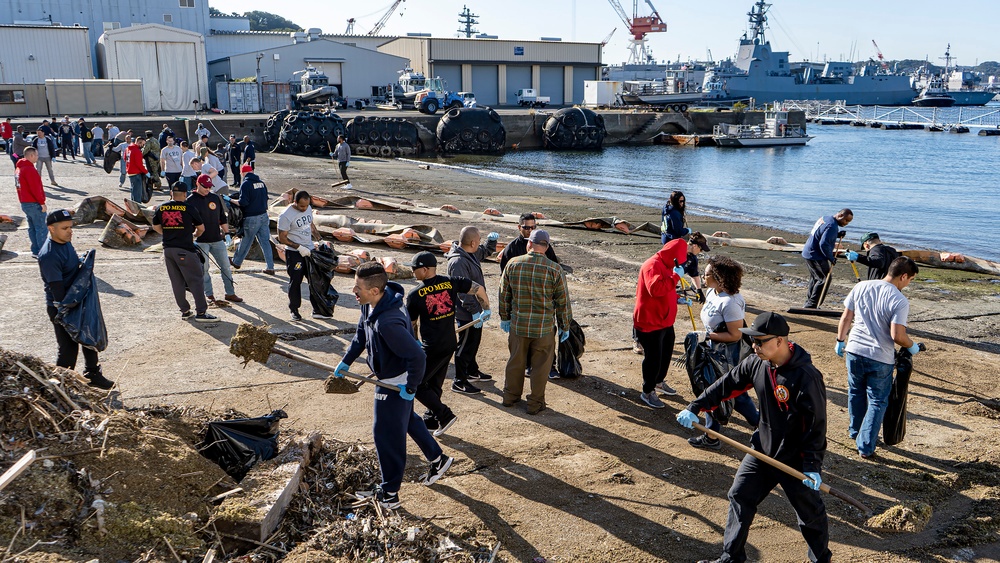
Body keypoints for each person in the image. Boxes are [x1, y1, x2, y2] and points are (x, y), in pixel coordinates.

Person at [677, 312, 830, 563]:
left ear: (780, 341)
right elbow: (727, 384)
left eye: (760, 342)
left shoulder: (807, 377)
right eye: (752, 342)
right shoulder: (757, 363)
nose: (754, 347)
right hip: (762, 449)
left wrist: (812, 465)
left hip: (795, 459)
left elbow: (816, 425)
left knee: (809, 514)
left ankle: (822, 560)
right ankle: (732, 557)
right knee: (740, 495)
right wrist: (696, 406)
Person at [333, 262, 454, 510]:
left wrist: (410, 387)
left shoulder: (388, 322)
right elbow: (360, 335)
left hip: (394, 382)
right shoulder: (370, 304)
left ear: (375, 290)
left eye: (358, 288)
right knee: (408, 419)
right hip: (387, 375)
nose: (354, 291)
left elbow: (418, 357)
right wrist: (345, 361)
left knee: (385, 434)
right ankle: (438, 459)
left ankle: (389, 494)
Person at [836, 256, 922, 459]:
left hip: (855, 350)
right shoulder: (899, 300)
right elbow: (897, 336)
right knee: (877, 401)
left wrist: (840, 340)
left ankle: (855, 432)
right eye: (910, 280)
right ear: (903, 276)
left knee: (855, 392)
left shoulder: (862, 286)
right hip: (879, 356)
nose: (909, 284)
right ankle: (865, 446)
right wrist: (912, 346)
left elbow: (847, 317)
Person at [407, 251, 491, 433]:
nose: (413, 272)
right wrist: (486, 308)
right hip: (450, 343)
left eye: (415, 269)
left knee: (417, 384)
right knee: (434, 383)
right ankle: (430, 420)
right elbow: (478, 288)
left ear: (425, 269)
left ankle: (444, 415)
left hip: (432, 347)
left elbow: (412, 325)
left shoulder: (415, 295)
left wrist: (414, 345)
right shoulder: (451, 282)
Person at [687, 255, 760, 450]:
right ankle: (763, 425)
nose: (703, 276)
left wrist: (708, 337)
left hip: (727, 357)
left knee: (716, 392)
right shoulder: (713, 292)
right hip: (712, 353)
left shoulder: (731, 303)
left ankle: (712, 437)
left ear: (720, 277)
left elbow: (735, 335)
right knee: (731, 394)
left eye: (707, 274)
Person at [37, 210, 115, 389]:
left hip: (77, 300)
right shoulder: (49, 255)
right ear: (51, 229)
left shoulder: (64, 242)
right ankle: (59, 386)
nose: (69, 231)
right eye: (64, 228)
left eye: (70, 227)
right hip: (61, 306)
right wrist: (68, 312)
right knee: (68, 350)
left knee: (89, 338)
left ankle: (92, 374)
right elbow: (58, 291)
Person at [498, 229, 572, 415]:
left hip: (518, 325)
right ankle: (535, 403)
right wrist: (565, 325)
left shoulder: (513, 264)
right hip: (544, 328)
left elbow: (504, 295)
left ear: (529, 244)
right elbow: (563, 302)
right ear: (546, 248)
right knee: (540, 367)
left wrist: (505, 317)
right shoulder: (555, 269)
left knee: (515, 362)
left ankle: (510, 397)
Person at [633, 238, 688, 408]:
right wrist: (676, 276)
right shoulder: (652, 265)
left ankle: (658, 382)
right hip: (650, 322)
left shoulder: (667, 266)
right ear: (672, 256)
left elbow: (667, 289)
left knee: (665, 355)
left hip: (664, 321)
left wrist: (677, 298)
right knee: (653, 359)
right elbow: (655, 289)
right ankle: (647, 391)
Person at [151, 181, 217, 323]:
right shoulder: (189, 208)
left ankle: (185, 311)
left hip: (168, 249)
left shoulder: (161, 208)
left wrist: (167, 234)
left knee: (177, 282)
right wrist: (194, 235)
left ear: (171, 193)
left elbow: (155, 226)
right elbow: (201, 228)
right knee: (196, 280)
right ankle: (201, 312)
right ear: (185, 194)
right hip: (185, 249)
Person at [445, 226, 499, 386]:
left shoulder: (469, 253)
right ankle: (460, 380)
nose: (480, 242)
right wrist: (475, 311)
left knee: (473, 343)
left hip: (475, 310)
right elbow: (463, 292)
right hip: (466, 312)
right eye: (480, 239)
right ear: (473, 242)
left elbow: (484, 251)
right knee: (465, 345)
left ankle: (472, 371)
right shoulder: (458, 262)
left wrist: (492, 241)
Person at [189, 174, 241, 305]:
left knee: (226, 267)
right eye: (205, 187)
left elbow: (222, 218)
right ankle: (209, 295)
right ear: (198, 184)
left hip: (217, 239)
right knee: (204, 270)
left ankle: (230, 293)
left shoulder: (214, 198)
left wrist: (227, 233)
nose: (207, 189)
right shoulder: (190, 201)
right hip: (201, 242)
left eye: (209, 187)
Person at [277, 190, 328, 321]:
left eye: (306, 206)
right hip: (295, 253)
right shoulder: (285, 216)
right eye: (301, 206)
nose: (304, 208)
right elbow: (282, 238)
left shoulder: (308, 207)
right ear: (294, 202)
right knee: (296, 281)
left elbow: (311, 225)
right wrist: (299, 247)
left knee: (315, 280)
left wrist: (320, 240)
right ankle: (294, 309)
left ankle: (317, 309)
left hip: (310, 250)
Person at [225, 164, 275, 274]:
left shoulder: (246, 184)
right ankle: (270, 267)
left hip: (252, 218)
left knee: (246, 240)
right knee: (265, 242)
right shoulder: (261, 183)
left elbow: (243, 203)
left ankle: (237, 262)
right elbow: (265, 198)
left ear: (243, 173)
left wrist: (230, 200)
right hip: (264, 216)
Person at [801, 208, 853, 308]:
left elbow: (821, 233)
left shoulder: (826, 218)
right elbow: (824, 244)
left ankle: (809, 303)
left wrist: (837, 235)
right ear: (840, 215)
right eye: (846, 220)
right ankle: (812, 304)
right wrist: (831, 258)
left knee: (816, 278)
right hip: (816, 255)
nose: (846, 223)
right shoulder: (832, 226)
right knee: (824, 279)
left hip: (808, 252)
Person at [16, 147, 47, 257]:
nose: (38, 157)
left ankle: (35, 250)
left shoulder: (19, 168)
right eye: (37, 155)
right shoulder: (29, 169)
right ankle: (43, 251)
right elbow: (35, 188)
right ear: (31, 156)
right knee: (41, 227)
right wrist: (42, 202)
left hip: (25, 202)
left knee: (32, 227)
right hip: (33, 202)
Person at [124, 137, 149, 203]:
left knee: (133, 190)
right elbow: (139, 164)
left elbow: (125, 159)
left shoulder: (127, 149)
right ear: (139, 143)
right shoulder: (137, 151)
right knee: (137, 192)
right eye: (143, 144)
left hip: (129, 172)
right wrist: (146, 172)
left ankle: (132, 205)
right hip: (136, 172)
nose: (143, 146)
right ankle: (137, 207)